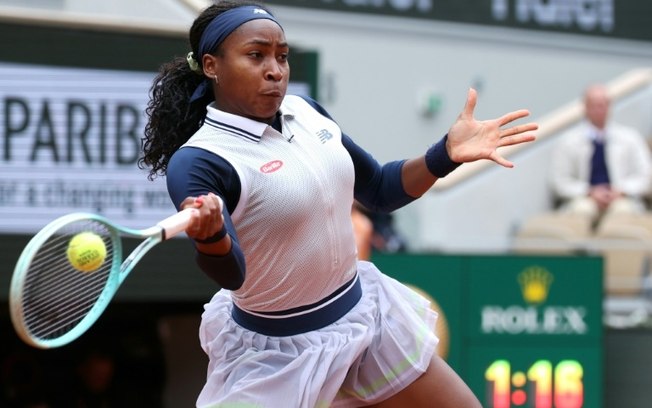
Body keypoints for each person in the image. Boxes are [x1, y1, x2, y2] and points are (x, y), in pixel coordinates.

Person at [139, 1, 537, 406]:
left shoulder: (306, 112)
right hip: (277, 357)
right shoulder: (200, 160)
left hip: (366, 323)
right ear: (211, 66)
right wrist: (212, 238)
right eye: (256, 55)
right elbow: (232, 272)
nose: (275, 70)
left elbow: (380, 189)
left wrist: (446, 153)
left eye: (282, 56)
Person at [549, 83, 652, 228]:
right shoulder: (568, 142)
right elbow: (560, 182)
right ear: (585, 107)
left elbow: (645, 176)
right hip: (584, 198)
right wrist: (589, 191)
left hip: (621, 198)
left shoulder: (630, 138)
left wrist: (621, 190)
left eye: (603, 104)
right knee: (581, 211)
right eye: (594, 105)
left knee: (623, 212)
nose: (600, 110)